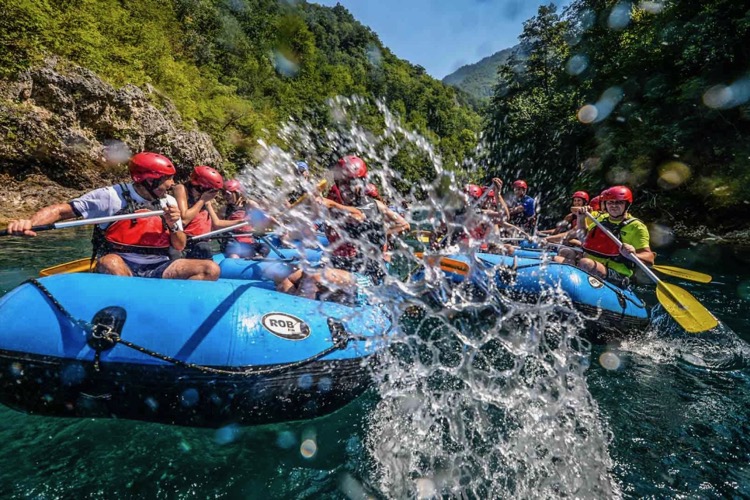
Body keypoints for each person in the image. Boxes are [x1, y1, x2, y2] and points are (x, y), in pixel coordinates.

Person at [5, 152, 220, 280]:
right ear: (148, 180)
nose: (172, 184)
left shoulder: (169, 202)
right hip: (123, 263)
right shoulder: (110, 197)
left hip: (159, 266)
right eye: (167, 179)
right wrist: (30, 222)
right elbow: (61, 210)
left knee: (210, 269)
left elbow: (180, 246)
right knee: (110, 263)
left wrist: (173, 225)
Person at [280, 155, 409, 301]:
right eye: (341, 183)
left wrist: (384, 234)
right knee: (287, 280)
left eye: (349, 183)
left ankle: (304, 316)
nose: (345, 188)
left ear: (361, 182)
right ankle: (291, 315)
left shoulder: (374, 205)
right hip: (342, 267)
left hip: (366, 277)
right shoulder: (337, 207)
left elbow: (359, 215)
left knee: (312, 277)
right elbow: (311, 218)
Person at [554, 185, 654, 287]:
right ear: (605, 204)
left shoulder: (637, 227)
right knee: (564, 253)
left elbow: (650, 259)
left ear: (627, 204)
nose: (613, 205)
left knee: (586, 263)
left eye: (619, 202)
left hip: (615, 274)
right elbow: (582, 237)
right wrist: (581, 218)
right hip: (589, 263)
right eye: (610, 202)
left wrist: (633, 254)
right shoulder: (600, 218)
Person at [172, 165, 224, 259]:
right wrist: (203, 200)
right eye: (212, 191)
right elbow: (184, 220)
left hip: (203, 241)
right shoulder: (181, 189)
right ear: (201, 187)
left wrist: (242, 221)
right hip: (188, 243)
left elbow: (217, 223)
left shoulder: (204, 199)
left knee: (205, 248)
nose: (214, 194)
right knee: (203, 248)